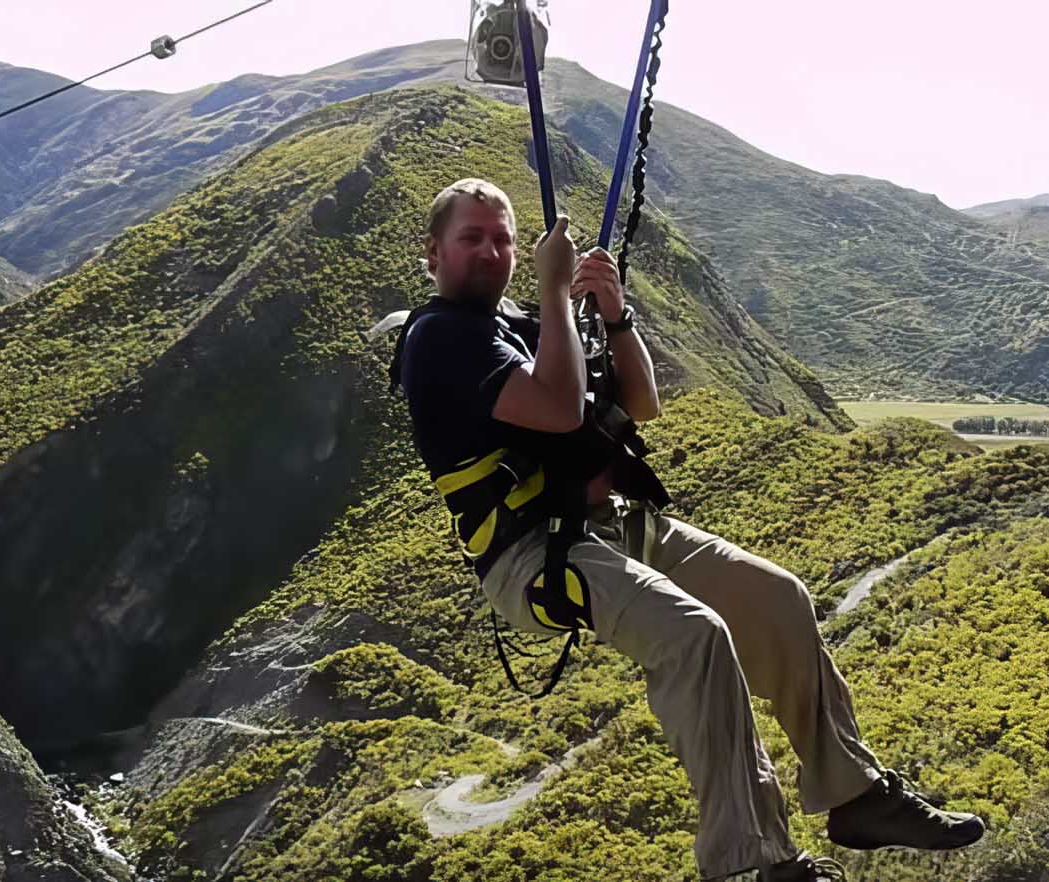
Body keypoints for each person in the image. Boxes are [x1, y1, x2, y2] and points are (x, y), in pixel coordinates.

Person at [393, 178, 984, 882]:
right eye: (472, 239)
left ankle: (854, 793)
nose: (491, 252)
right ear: (433, 254)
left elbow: (640, 404)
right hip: (531, 555)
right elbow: (555, 409)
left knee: (779, 600)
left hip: (606, 526)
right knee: (695, 636)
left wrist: (613, 317)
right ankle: (749, 863)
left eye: (503, 239)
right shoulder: (439, 341)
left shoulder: (518, 327)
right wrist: (556, 291)